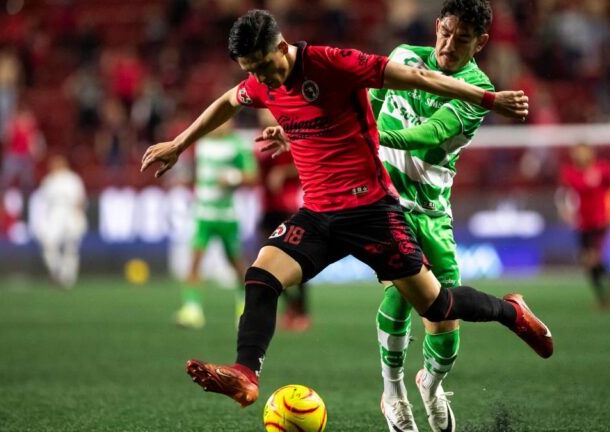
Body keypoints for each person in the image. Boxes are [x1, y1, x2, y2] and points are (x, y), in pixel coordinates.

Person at [141, 9, 550, 410]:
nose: (262, 78)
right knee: (261, 275)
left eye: (264, 66)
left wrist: (489, 98)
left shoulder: (331, 63)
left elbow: (419, 77)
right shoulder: (262, 82)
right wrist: (179, 143)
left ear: (281, 47)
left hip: (372, 211)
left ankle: (509, 311)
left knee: (438, 307)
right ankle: (246, 375)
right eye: (252, 69)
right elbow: (229, 101)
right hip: (319, 215)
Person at [368, 1, 505, 430]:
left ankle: (430, 382)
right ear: (437, 26)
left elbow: (429, 136)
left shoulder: (477, 88)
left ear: (479, 42)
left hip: (432, 210)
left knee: (445, 317)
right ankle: (392, 394)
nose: (448, 44)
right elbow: (369, 103)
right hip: (386, 204)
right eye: (445, 32)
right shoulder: (403, 57)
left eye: (462, 38)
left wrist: (373, 138)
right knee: (399, 291)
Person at [175, 119, 257, 329]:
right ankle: (192, 310)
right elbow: (194, 172)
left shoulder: (237, 145)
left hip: (226, 214)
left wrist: (233, 177)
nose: (221, 125)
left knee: (236, 262)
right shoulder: (200, 143)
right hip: (203, 213)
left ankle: (244, 305)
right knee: (195, 260)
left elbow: (252, 175)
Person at [254, 110, 309, 332]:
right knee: (264, 263)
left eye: (269, 113)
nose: (265, 117)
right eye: (262, 114)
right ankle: (291, 306)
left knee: (297, 262)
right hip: (267, 208)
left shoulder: (290, 138)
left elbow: (305, 163)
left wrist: (283, 173)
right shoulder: (259, 140)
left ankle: (302, 311)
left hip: (288, 208)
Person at [557, 143, 610, 310]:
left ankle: (607, 293)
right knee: (587, 262)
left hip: (600, 221)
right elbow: (563, 194)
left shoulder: (602, 169)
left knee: (592, 258)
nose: (579, 157)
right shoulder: (571, 173)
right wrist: (564, 210)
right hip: (582, 223)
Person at [33, 155, 87, 288]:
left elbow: (80, 199)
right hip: (55, 214)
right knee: (49, 243)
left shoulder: (73, 179)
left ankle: (68, 277)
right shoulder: (49, 181)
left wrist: (78, 216)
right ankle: (57, 270)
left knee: (71, 247)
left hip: (71, 213)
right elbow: (42, 203)